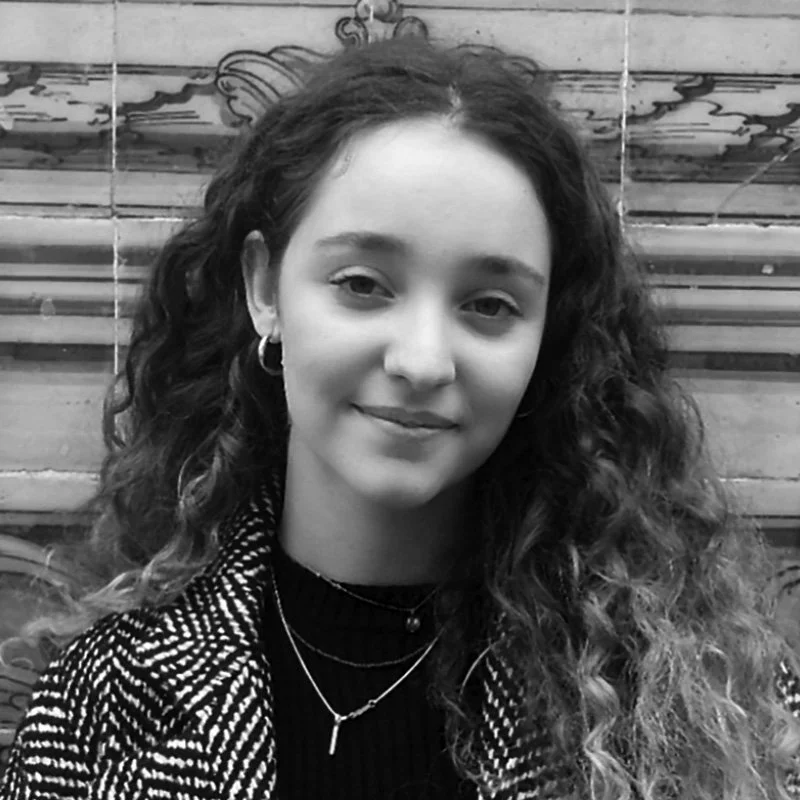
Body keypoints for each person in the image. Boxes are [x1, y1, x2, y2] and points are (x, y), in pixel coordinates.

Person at [1, 35, 798, 800]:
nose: (422, 360)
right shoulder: (102, 703)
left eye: (489, 305)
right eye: (362, 284)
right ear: (265, 289)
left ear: (547, 335)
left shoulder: (699, 696)